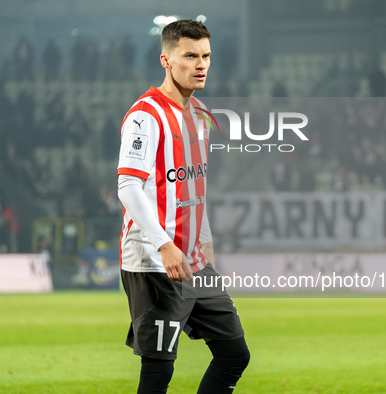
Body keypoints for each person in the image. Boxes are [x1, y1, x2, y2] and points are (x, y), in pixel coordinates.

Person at [116, 20, 250, 394]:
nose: (200, 64)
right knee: (158, 372)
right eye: (190, 55)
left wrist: (205, 244)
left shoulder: (202, 116)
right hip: (155, 261)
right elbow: (128, 186)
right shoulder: (146, 116)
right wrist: (164, 244)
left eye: (206, 56)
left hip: (193, 259)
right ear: (166, 60)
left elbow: (194, 188)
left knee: (234, 354)